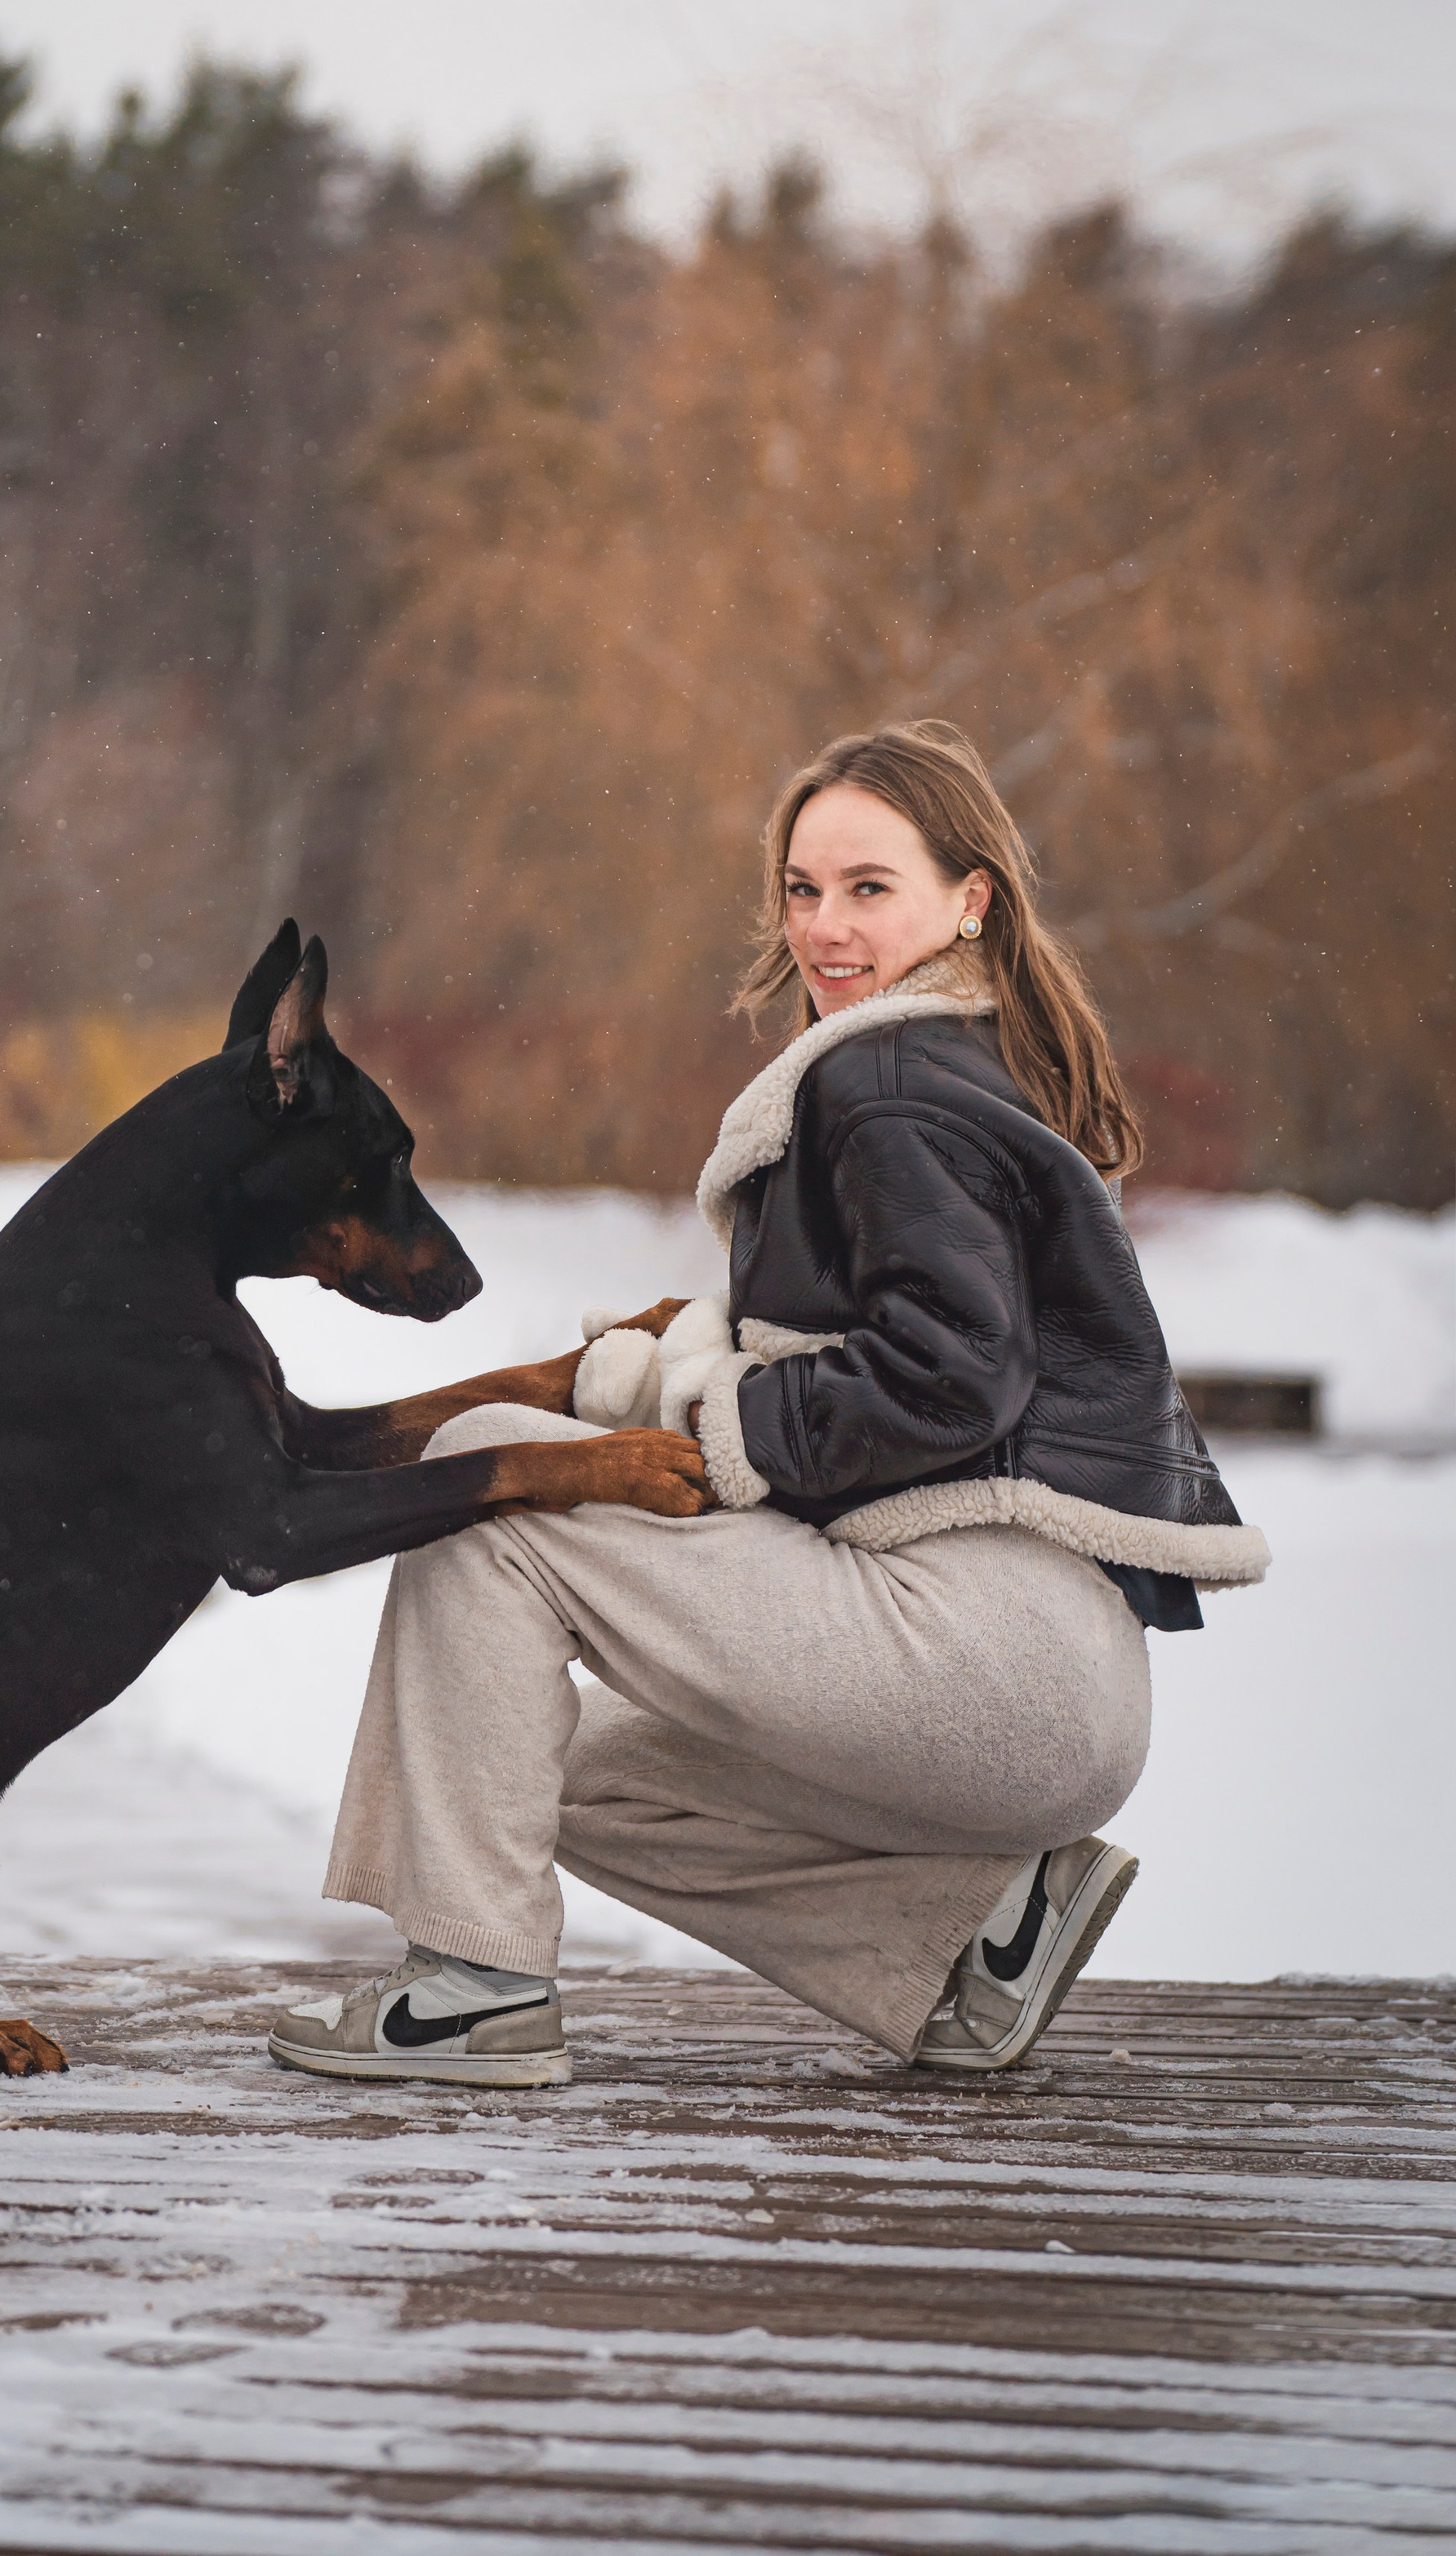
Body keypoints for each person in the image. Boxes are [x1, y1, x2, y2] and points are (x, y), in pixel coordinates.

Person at [266, 719, 1268, 2086]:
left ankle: (472, 1991)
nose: (826, 927)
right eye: (804, 889)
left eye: (870, 888)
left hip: (981, 1641)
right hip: (1047, 1683)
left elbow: (950, 1371)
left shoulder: (885, 1079)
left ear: (969, 898)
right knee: (526, 1769)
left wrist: (720, 1423)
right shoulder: (948, 1058)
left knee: (487, 1473)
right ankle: (979, 1929)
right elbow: (910, 1341)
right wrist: (682, 1362)